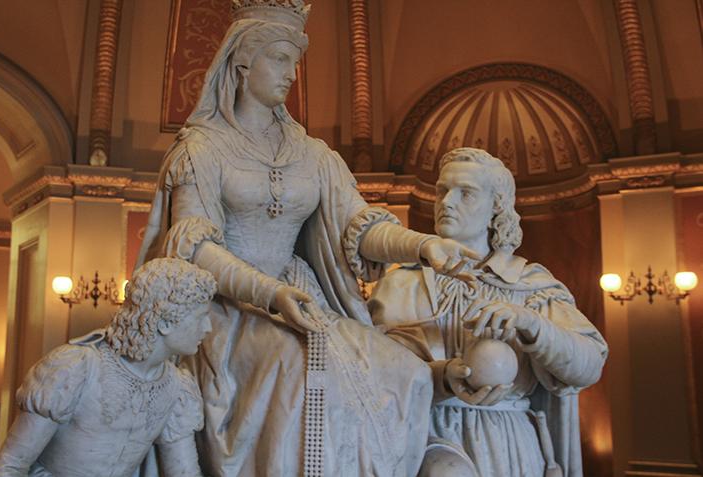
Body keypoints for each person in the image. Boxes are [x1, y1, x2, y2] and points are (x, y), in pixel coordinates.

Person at [135, 1, 481, 476]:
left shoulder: (313, 154)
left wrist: (422, 246)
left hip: (305, 301)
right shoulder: (201, 149)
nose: (291, 75)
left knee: (406, 371)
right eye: (279, 58)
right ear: (241, 62)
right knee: (294, 370)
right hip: (228, 309)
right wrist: (271, 294)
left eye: (295, 63)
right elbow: (195, 250)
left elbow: (359, 227)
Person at [369, 148, 608, 477]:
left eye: (465, 193)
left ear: (496, 205)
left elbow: (589, 366)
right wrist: (441, 377)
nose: (447, 202)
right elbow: (365, 373)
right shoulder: (399, 284)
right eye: (442, 190)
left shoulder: (529, 284)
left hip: (507, 445)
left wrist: (531, 324)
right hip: (420, 438)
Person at [0, 258, 217, 477]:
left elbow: (184, 473)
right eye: (201, 317)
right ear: (166, 322)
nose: (208, 328)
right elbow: (10, 465)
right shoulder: (76, 368)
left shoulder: (178, 388)